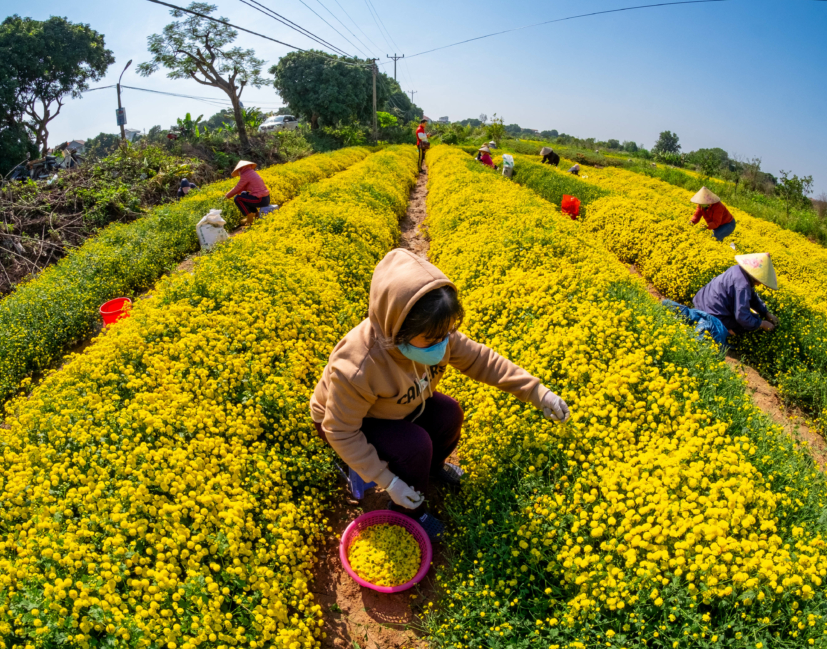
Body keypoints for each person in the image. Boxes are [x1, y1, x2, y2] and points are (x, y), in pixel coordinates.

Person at [310, 250, 570, 540]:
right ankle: (409, 512)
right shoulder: (359, 365)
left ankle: (431, 471)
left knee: (449, 414)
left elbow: (483, 361)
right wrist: (389, 481)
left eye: (447, 334)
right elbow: (341, 430)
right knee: (414, 446)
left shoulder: (435, 333)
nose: (444, 344)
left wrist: (538, 392)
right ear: (398, 329)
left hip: (397, 405)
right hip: (348, 421)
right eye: (433, 340)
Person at [693, 253, 780, 338]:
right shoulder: (743, 285)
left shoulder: (738, 270)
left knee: (751, 319)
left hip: (701, 301)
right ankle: (721, 334)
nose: (758, 285)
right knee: (749, 321)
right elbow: (742, 317)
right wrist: (761, 324)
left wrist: (766, 313)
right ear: (755, 276)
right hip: (711, 314)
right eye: (759, 281)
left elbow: (752, 298)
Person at [225, 160, 270, 228]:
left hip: (260, 199)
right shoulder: (250, 172)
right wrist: (230, 193)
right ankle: (256, 214)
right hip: (265, 198)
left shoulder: (246, 174)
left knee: (238, 198)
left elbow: (238, 187)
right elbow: (241, 188)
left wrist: (228, 195)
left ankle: (250, 216)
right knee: (244, 195)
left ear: (240, 169)